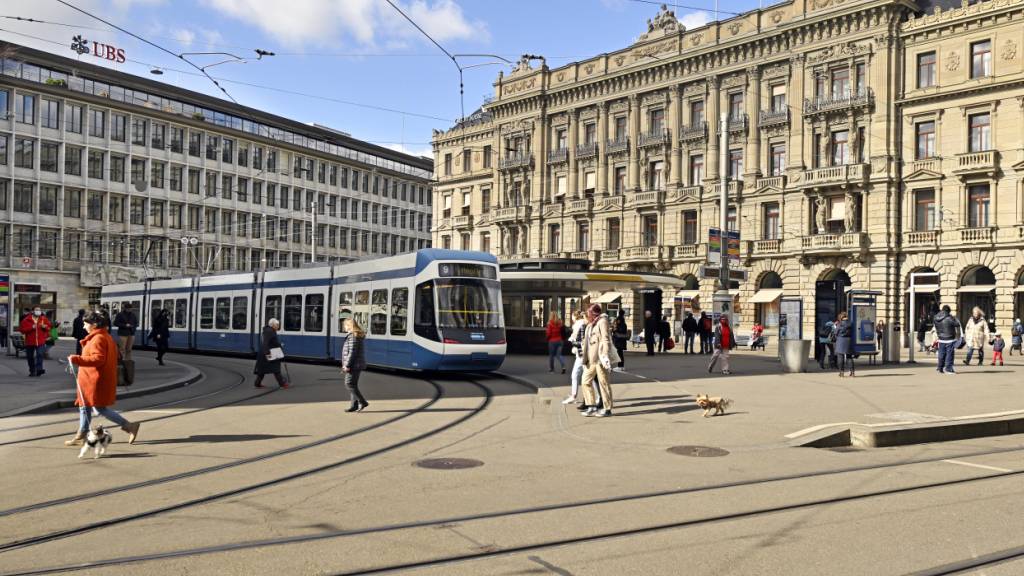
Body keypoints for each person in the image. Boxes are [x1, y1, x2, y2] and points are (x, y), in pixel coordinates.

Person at [64, 311, 141, 447]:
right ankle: (82, 434)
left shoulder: (98, 338)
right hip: (94, 379)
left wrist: (76, 359)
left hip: (94, 380)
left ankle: (129, 426)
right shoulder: (104, 336)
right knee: (85, 407)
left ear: (94, 325)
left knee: (99, 408)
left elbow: (98, 359)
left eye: (85, 324)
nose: (83, 327)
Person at [581, 303, 616, 417]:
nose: (587, 315)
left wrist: (605, 356)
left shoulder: (602, 322)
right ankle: (591, 405)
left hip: (600, 359)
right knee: (585, 381)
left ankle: (607, 409)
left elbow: (606, 339)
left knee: (604, 383)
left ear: (593, 313)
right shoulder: (591, 324)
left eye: (588, 313)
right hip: (591, 359)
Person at [341, 318, 369, 412]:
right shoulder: (354, 335)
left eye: (345, 325)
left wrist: (347, 365)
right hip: (356, 364)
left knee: (349, 384)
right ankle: (354, 405)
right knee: (353, 384)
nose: (344, 326)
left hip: (354, 364)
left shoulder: (353, 336)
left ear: (349, 325)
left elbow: (352, 352)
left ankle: (363, 402)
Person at [254, 318, 290, 388]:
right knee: (276, 369)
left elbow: (273, 342)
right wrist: (267, 353)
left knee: (262, 370)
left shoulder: (270, 330)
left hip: (266, 353)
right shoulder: (269, 331)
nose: (278, 326)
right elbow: (265, 343)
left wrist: (279, 345)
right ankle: (282, 384)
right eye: (277, 325)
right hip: (268, 353)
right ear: (272, 325)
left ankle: (257, 383)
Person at [562, 310, 589, 404]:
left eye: (572, 316)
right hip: (582, 354)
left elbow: (582, 341)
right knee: (589, 378)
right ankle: (596, 399)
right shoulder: (581, 325)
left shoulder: (580, 325)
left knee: (576, 375)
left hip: (582, 355)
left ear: (576, 317)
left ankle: (575, 396)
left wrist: (573, 343)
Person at [19, 307, 51, 377]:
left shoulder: (43, 319)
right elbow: (22, 330)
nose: (38, 311)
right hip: (30, 341)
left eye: (39, 310)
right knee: (30, 357)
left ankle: (39, 369)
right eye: (36, 310)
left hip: (40, 341)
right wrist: (31, 327)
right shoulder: (26, 320)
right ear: (33, 311)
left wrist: (45, 327)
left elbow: (49, 327)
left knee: (40, 354)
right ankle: (32, 370)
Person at [933, 304, 961, 375]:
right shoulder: (949, 317)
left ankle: (940, 367)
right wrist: (954, 318)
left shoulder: (936, 317)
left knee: (941, 354)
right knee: (949, 354)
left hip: (941, 338)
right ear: (948, 311)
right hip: (950, 338)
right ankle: (948, 369)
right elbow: (957, 324)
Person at [834, 312, 854, 377]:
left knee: (840, 356)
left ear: (841, 317)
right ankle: (852, 372)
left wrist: (835, 327)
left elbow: (836, 333)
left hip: (840, 341)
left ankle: (841, 372)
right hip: (848, 340)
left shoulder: (839, 324)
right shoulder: (850, 323)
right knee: (849, 357)